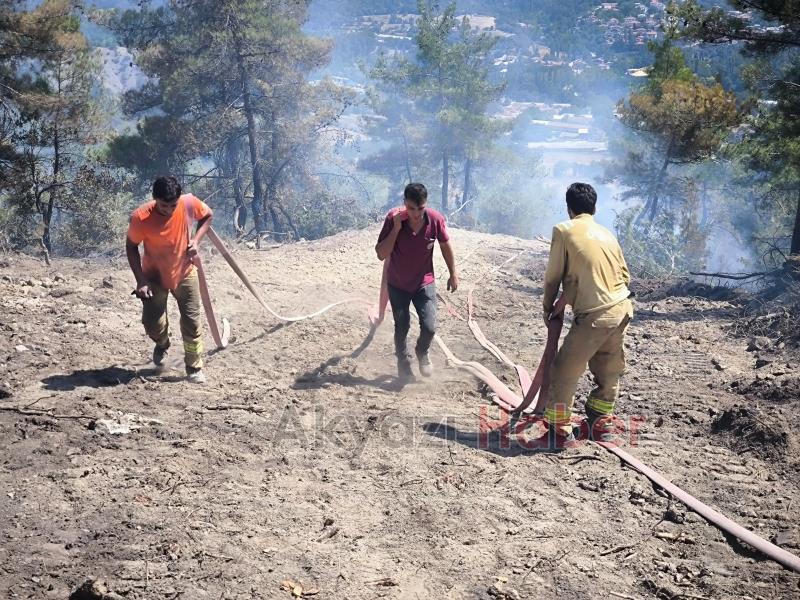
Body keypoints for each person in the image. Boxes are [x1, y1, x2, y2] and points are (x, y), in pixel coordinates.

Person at [541, 182, 633, 446]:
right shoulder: (607, 234)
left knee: (563, 371)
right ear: (594, 207)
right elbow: (623, 276)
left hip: (595, 315)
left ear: (569, 208)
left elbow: (553, 276)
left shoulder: (563, 230)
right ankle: (600, 424)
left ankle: (559, 432)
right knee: (608, 368)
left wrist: (549, 307)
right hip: (622, 309)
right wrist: (568, 297)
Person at [126, 176, 213, 384]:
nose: (169, 210)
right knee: (152, 325)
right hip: (154, 277)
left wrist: (196, 240)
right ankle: (163, 343)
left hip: (184, 272)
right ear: (155, 199)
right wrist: (140, 280)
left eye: (173, 205)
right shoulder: (140, 218)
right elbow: (131, 247)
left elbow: (208, 216)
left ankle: (193, 367)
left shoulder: (188, 203)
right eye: (164, 205)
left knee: (192, 322)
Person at [375, 183, 458, 379]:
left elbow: (446, 246)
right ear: (404, 204)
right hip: (397, 283)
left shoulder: (435, 220)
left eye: (421, 209)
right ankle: (403, 362)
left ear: (426, 205)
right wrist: (395, 229)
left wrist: (453, 273)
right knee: (402, 326)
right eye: (411, 208)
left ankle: (422, 351)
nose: (416, 214)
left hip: (424, 282)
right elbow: (381, 254)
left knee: (430, 327)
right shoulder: (393, 219)